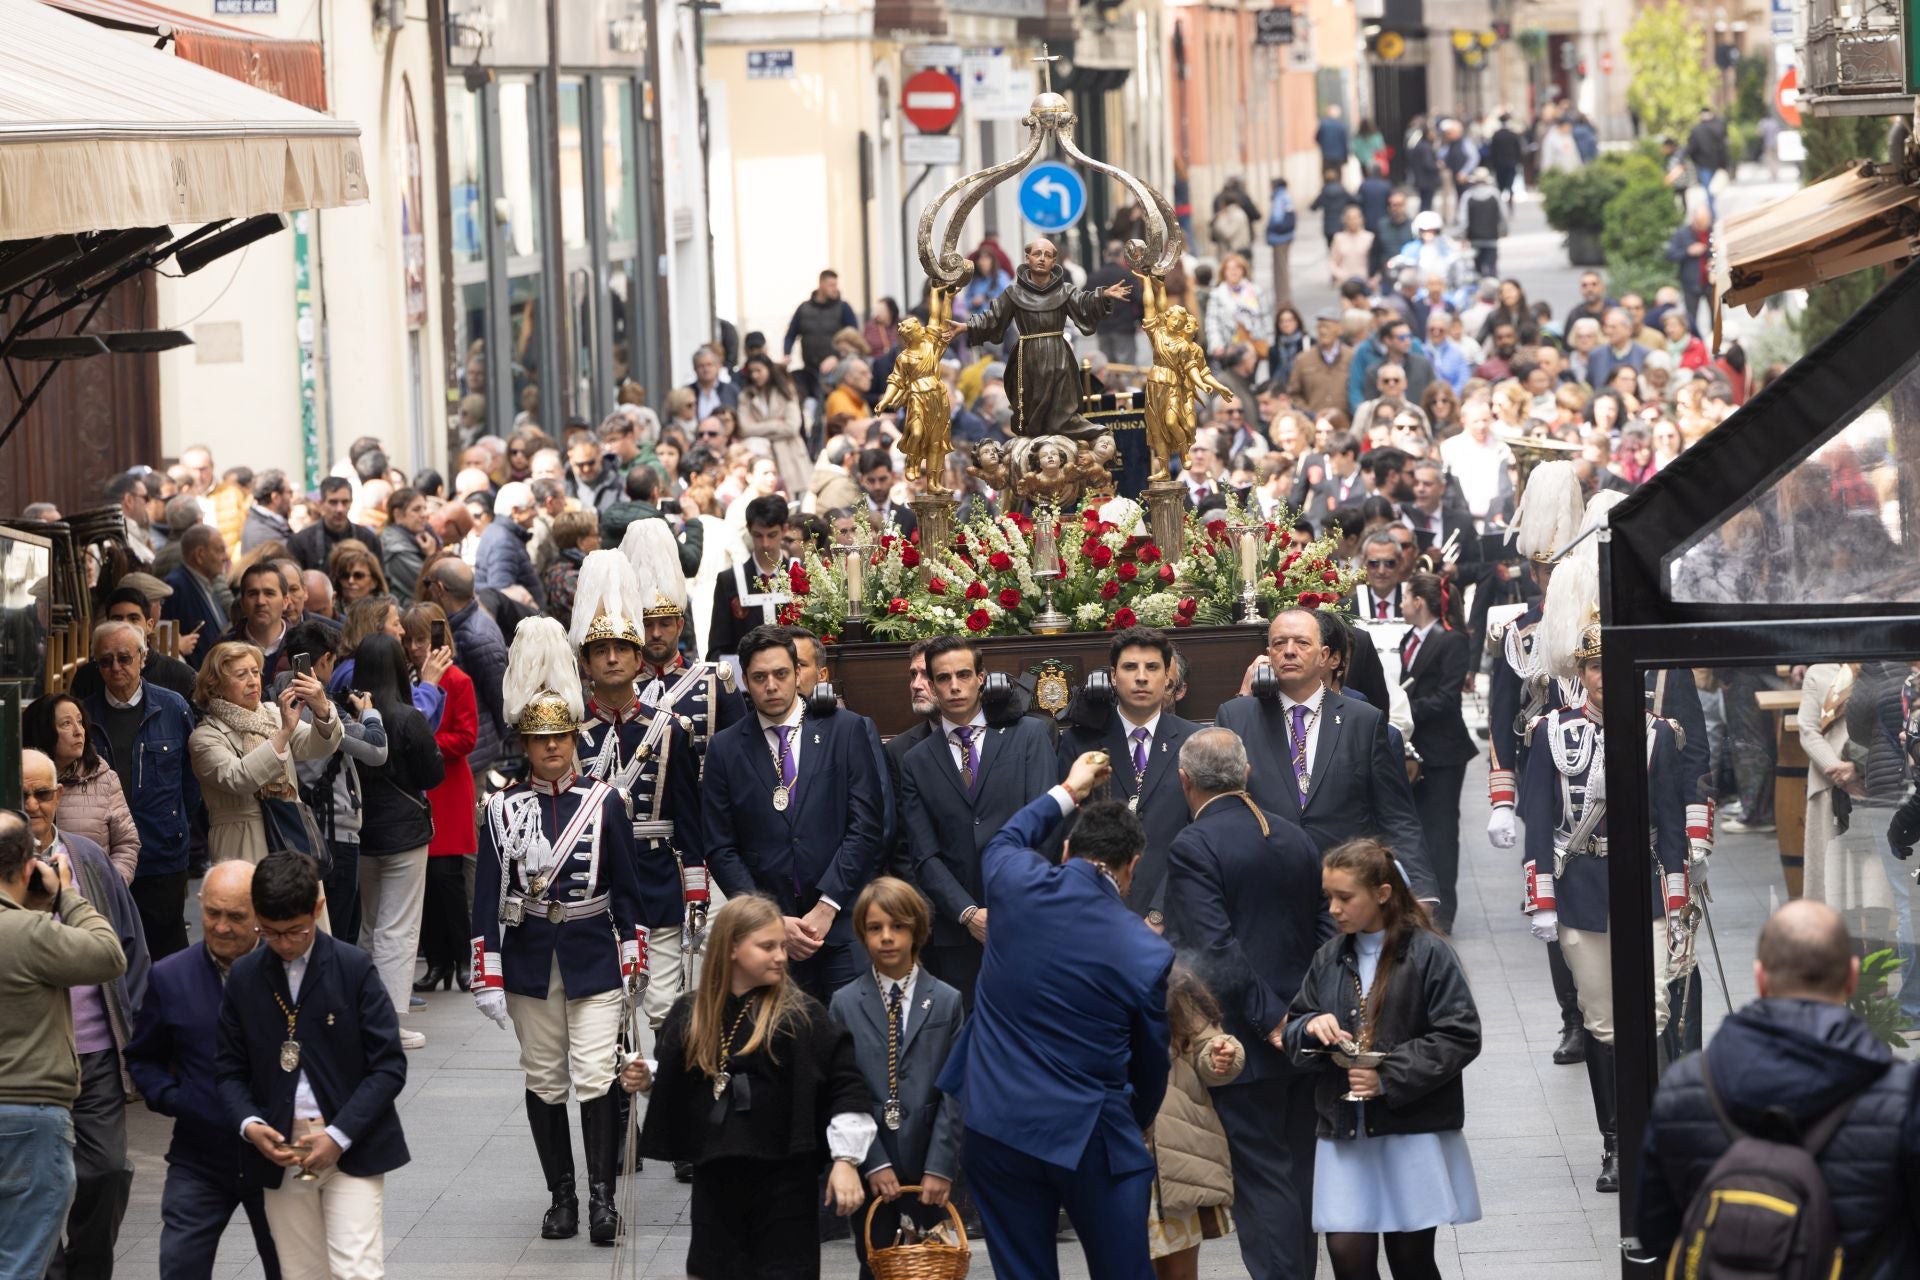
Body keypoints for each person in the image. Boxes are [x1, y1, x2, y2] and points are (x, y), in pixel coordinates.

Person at [936, 751, 1173, 1280]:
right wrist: (1133, 1123)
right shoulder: (1146, 950)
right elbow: (1151, 1064)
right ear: (1131, 867)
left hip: (997, 1122)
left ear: (1065, 850)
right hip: (1091, 1131)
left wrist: (1070, 789)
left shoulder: (1016, 884)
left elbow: (1004, 839)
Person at [467, 617, 648, 1244]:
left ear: (574, 736)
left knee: (597, 1073)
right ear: (524, 742)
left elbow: (627, 890)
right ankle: (561, 1197)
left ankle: (601, 1199)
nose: (551, 748)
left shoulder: (604, 802)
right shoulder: (500, 808)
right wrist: (485, 972)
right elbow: (486, 897)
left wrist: (634, 953)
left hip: (593, 954)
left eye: (561, 737)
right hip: (528, 961)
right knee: (545, 1077)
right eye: (540, 739)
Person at [1636, 899, 1920, 1275]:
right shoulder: (1900, 1097)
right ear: (1852, 977)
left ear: (1760, 977)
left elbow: (1655, 1230)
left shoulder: (1686, 1087)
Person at [1519, 613, 1691, 1193]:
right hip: (1582, 886)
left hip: (1643, 885)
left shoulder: (1658, 733)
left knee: (1656, 1012)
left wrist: (1678, 896)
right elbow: (1539, 819)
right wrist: (1541, 897)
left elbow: (1671, 823)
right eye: (1593, 667)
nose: (1601, 678)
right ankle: (1616, 1143)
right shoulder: (1549, 732)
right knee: (1603, 1021)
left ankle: (1659, 1138)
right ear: (1581, 671)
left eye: (1610, 666)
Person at [630, 895, 873, 1279]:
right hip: (717, 1179)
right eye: (767, 946)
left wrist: (845, 1162)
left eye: (781, 946)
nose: (780, 956)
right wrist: (649, 1078)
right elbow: (679, 1076)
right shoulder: (692, 1014)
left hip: (786, 1181)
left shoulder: (802, 1016)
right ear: (731, 949)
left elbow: (846, 1086)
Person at [1164, 727, 1326, 1280]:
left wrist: (1271, 1017)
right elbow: (1325, 929)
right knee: (1297, 1170)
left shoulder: (1193, 844)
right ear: (1247, 772)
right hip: (1304, 1030)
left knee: (1261, 1181)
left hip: (1243, 1039)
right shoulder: (1293, 835)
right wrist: (1305, 1012)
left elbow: (1215, 945)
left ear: (1184, 781)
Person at [1285, 839, 1481, 1280]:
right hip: (1345, 1129)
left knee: (1411, 1260)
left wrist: (1387, 1076)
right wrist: (1312, 1026)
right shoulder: (1329, 957)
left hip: (1409, 1127)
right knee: (1347, 1256)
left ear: (1382, 893)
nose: (1333, 908)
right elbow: (1296, 1027)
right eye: (1328, 897)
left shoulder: (1430, 953)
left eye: (1345, 897)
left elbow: (1460, 1034)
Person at [216, 852, 409, 1280]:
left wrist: (338, 1137)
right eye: (270, 933)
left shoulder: (352, 967)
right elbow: (228, 1070)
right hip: (281, 1149)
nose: (284, 943)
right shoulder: (246, 976)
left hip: (352, 1144)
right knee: (301, 1273)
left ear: (317, 909)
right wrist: (250, 1123)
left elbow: (389, 1066)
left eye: (296, 932)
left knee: (356, 1270)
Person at [19, 746, 148, 1280]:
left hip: (95, 1051)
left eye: (43, 793)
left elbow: (130, 946)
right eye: (22, 793)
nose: (32, 805)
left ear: (60, 795)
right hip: (31, 1057)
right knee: (38, 1182)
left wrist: (138, 1037)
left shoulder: (89, 860)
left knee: (107, 1171)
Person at [703, 626, 885, 999]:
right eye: (759, 677)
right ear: (745, 681)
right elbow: (720, 847)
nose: (771, 685)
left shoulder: (845, 730)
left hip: (842, 923)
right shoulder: (725, 748)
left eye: (781, 674)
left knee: (851, 1042)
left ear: (797, 673)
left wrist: (827, 905)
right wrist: (769, 919)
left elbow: (866, 825)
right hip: (770, 936)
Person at [124, 861, 282, 1280]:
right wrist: (176, 1098)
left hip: (276, 1159)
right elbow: (142, 1057)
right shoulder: (170, 977)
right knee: (180, 1266)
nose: (222, 927)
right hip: (200, 1158)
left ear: (261, 915)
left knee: (290, 1269)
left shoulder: (288, 974)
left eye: (236, 916)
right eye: (212, 913)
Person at [568, 550, 705, 1032]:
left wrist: (695, 890)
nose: (612, 658)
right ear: (585, 662)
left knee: (666, 1011)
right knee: (612, 1017)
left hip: (658, 880)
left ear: (636, 657)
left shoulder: (670, 728)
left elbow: (689, 818)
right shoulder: (571, 733)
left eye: (621, 649)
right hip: (598, 884)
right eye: (601, 650)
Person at [1217, 609, 1439, 902]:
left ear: (1324, 656)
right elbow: (1219, 808)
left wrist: (1422, 892)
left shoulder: (1364, 721)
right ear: (1268, 654)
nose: (1289, 652)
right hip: (1263, 886)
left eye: (1301, 643)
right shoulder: (1237, 716)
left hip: (1347, 888)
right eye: (1279, 644)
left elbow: (1396, 815)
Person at [0, 807, 128, 1280]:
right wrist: (68, 895)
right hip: (31, 1115)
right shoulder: (31, 934)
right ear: (27, 867)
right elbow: (108, 954)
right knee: (22, 1261)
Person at [899, 636, 1055, 1005]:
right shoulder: (917, 761)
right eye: (943, 678)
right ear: (933, 686)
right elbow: (925, 854)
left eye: (964, 675)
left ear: (981, 678)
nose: (954, 686)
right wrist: (969, 914)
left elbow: (1048, 826)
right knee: (970, 1042)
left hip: (1026, 917)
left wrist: (1011, 903)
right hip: (958, 934)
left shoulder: (1029, 736)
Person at [826, 878, 965, 1280]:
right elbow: (842, 1089)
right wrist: (871, 1163)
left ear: (917, 931)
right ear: (862, 934)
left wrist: (940, 1166)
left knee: (932, 1265)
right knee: (876, 1262)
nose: (886, 938)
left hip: (928, 1166)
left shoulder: (946, 1000)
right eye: (874, 928)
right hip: (876, 1165)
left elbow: (954, 1091)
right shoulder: (845, 1003)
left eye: (898, 927)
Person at [1054, 627, 1201, 926]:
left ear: (1168, 678)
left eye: (1152, 667)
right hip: (1096, 913)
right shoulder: (1079, 743)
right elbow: (1070, 830)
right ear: (1112, 676)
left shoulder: (1194, 741)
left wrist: (1160, 912)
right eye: (1130, 667)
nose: (1142, 677)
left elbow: (1198, 834)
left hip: (1174, 912)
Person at [76, 617, 202, 957]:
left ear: (142, 657)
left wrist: (173, 822)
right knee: (109, 953)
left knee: (166, 952)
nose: (115, 667)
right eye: (105, 660)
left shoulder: (173, 707)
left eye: (124, 657)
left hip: (161, 853)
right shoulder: (84, 716)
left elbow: (191, 781)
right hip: (104, 856)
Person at [346, 635, 443, 1049]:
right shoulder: (407, 717)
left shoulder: (346, 712)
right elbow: (432, 774)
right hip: (404, 831)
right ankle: (388, 1021)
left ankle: (363, 1014)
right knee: (398, 927)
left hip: (360, 829)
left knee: (369, 924)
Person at [949, 236, 1130, 440]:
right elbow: (993, 318)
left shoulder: (1064, 290)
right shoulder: (1013, 293)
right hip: (1029, 357)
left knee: (1063, 405)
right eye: (1037, 254)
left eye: (1047, 255)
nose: (1042, 259)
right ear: (1028, 258)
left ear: (1054, 261)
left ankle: (1067, 433)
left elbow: (1084, 303)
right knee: (1032, 410)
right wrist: (966, 326)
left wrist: (1103, 295)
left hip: (1059, 355)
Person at [188, 640, 343, 868]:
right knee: (250, 902)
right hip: (241, 840)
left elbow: (317, 747)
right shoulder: (205, 736)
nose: (253, 681)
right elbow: (239, 778)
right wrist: (283, 733)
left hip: (291, 832)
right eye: (241, 675)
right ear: (215, 685)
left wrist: (321, 708)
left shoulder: (271, 712)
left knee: (301, 902)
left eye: (255, 672)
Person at [398, 604, 478, 995]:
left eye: (421, 639)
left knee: (448, 880)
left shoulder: (458, 679)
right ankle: (437, 961)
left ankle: (463, 960)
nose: (415, 647)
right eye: (409, 639)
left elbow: (467, 737)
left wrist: (423, 743)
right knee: (425, 882)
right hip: (423, 788)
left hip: (447, 787)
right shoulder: (409, 680)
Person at [624, 518, 744, 756]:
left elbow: (738, 754)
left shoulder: (715, 681)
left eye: (665, 623)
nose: (656, 633)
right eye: (647, 624)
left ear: (680, 625)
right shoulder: (620, 686)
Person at [1399, 573, 1473, 932]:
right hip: (1416, 748)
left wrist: (1403, 710)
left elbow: (1447, 698)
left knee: (1442, 831)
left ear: (1419, 602)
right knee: (1419, 829)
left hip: (1444, 749)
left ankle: (1445, 911)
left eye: (1405, 597)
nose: (1401, 604)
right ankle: (1419, 903)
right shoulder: (1407, 639)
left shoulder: (1453, 641)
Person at [25, 691, 140, 886]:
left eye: (80, 722)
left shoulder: (105, 778)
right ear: (44, 731)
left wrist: (110, 887)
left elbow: (127, 843)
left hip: (91, 901)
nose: (79, 731)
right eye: (66, 724)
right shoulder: (19, 782)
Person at [705, 495, 795, 662]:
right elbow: (717, 649)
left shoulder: (800, 575)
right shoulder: (729, 580)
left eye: (772, 534)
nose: (765, 543)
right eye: (758, 535)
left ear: (785, 529)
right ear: (748, 529)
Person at [783, 269, 862, 406]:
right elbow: (790, 335)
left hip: (837, 371)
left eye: (836, 285)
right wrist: (787, 353)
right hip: (810, 370)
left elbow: (855, 339)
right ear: (821, 284)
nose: (835, 289)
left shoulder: (843, 308)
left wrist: (836, 357)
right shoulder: (803, 308)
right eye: (831, 285)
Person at [162, 525, 232, 669]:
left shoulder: (206, 582)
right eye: (220, 550)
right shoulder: (176, 587)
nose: (225, 557)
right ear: (200, 555)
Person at [476, 482, 546, 608]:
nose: (536, 513)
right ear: (515, 511)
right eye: (532, 507)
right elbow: (502, 592)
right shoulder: (503, 541)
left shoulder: (503, 534)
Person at [288, 477, 379, 574]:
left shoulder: (368, 539)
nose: (340, 509)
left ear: (351, 503)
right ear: (321, 504)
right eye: (333, 502)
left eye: (345, 502)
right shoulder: (301, 542)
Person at [1456, 167, 1507, 277]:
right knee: (1492, 268)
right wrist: (1504, 230)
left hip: (1474, 238)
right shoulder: (1495, 194)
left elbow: (1463, 220)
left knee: (1477, 270)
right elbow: (1504, 215)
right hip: (1491, 237)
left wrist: (1462, 236)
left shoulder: (1468, 196)